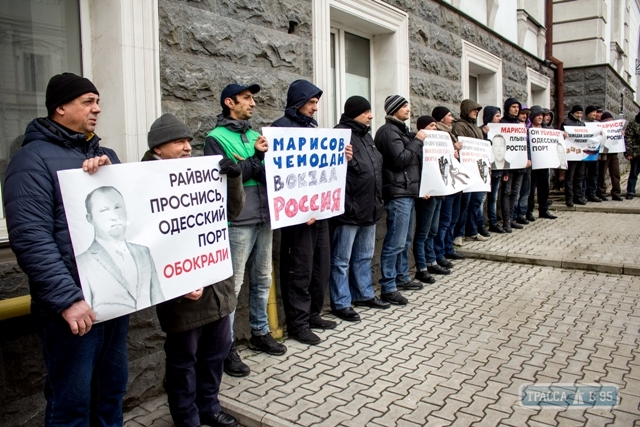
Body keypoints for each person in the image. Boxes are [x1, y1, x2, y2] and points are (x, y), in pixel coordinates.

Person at [3, 73, 126, 426]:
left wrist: (109, 175)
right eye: (88, 101)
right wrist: (67, 300)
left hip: (113, 299)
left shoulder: (105, 155)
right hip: (71, 308)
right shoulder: (30, 161)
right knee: (71, 404)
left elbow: (128, 212)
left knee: (111, 393)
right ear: (59, 107)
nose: (97, 108)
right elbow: (31, 238)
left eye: (98, 101)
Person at [145, 113, 243, 427]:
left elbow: (231, 211)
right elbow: (147, 241)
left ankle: (209, 408)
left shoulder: (202, 173)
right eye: (179, 142)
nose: (188, 147)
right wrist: (178, 283)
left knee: (216, 354)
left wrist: (233, 178)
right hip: (182, 295)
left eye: (189, 141)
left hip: (215, 285)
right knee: (183, 360)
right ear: (158, 148)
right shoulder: (143, 182)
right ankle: (187, 417)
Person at [205, 83, 286, 377]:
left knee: (263, 279)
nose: (253, 103)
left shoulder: (255, 135)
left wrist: (254, 161)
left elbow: (268, 172)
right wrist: (254, 159)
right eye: (247, 98)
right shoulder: (215, 139)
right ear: (230, 102)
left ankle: (259, 332)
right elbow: (229, 179)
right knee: (233, 286)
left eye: (253, 99)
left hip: (265, 216)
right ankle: (224, 348)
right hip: (237, 219)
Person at [271, 79, 351, 344]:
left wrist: (343, 156)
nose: (316, 107)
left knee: (320, 265)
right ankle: (298, 323)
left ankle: (313, 314)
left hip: (319, 213)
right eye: (312, 102)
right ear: (299, 101)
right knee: (299, 268)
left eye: (317, 102)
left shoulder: (313, 127)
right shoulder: (280, 128)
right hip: (297, 217)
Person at [329, 96, 389, 323]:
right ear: (355, 113)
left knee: (364, 256)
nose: (371, 115)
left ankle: (363, 294)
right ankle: (341, 302)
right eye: (366, 112)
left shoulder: (367, 136)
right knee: (341, 260)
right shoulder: (339, 135)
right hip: (349, 209)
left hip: (370, 207)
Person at [77, 186, 164, 320]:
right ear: (90, 218)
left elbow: (158, 296)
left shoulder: (143, 252)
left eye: (118, 207)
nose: (114, 216)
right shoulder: (83, 263)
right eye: (104, 210)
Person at [375, 95, 426, 305]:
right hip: (398, 193)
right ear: (394, 109)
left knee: (404, 240)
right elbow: (400, 160)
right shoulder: (388, 132)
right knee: (395, 242)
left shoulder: (401, 131)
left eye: (408, 105)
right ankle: (388, 286)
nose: (409, 108)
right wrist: (418, 141)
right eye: (404, 106)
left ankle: (402, 277)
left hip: (407, 191)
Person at [413, 115, 450, 280]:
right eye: (431, 126)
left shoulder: (438, 146)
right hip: (426, 194)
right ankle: (421, 268)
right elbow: (417, 169)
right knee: (423, 232)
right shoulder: (418, 145)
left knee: (432, 231)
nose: (434, 129)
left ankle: (431, 261)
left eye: (435, 126)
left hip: (437, 193)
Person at [431, 106, 465, 272]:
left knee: (452, 219)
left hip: (454, 182)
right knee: (444, 221)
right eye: (449, 115)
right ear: (441, 118)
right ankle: (440, 252)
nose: (452, 119)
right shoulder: (437, 135)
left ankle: (448, 248)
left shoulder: (449, 134)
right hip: (445, 185)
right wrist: (453, 149)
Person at [451, 99, 488, 242]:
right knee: (464, 203)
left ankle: (472, 230)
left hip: (477, 170)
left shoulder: (477, 128)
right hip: (466, 170)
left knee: (476, 202)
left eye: (477, 111)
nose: (476, 112)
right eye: (473, 110)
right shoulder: (460, 126)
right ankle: (459, 234)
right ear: (466, 110)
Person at [499, 97, 527, 232]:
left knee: (515, 192)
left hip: (519, 165)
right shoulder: (502, 123)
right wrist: (504, 170)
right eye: (513, 107)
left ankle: (511, 218)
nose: (516, 110)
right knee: (507, 192)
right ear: (508, 108)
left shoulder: (520, 124)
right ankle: (506, 222)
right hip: (508, 166)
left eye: (518, 107)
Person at [526, 106, 557, 220]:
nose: (540, 117)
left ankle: (544, 210)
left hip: (544, 162)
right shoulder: (528, 129)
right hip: (533, 163)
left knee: (544, 187)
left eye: (542, 115)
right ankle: (529, 211)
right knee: (531, 188)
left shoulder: (546, 129)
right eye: (538, 115)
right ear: (533, 116)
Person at [483, 106, 509, 234]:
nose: (499, 118)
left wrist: (505, 171)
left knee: (493, 198)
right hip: (486, 170)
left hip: (498, 170)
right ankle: (482, 223)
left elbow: (505, 152)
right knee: (483, 199)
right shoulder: (483, 129)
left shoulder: (501, 130)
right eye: (497, 116)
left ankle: (493, 222)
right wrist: (484, 133)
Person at [562, 105, 586, 207]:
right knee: (570, 178)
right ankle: (569, 198)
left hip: (580, 154)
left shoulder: (582, 124)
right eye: (577, 113)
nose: (579, 115)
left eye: (581, 113)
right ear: (573, 113)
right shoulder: (566, 123)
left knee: (579, 177)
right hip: (571, 154)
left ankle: (578, 197)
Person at [596, 111, 623, 201]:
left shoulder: (615, 128)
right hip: (604, 153)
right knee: (602, 173)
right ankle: (601, 192)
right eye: (607, 120)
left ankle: (616, 193)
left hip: (613, 153)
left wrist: (621, 134)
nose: (609, 121)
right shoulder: (599, 128)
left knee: (615, 173)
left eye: (610, 119)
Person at [583, 105, 601, 203]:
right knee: (584, 174)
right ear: (588, 113)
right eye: (593, 112)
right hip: (585, 153)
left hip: (595, 153)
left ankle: (592, 193)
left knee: (594, 174)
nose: (595, 114)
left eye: (595, 112)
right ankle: (584, 193)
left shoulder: (598, 124)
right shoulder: (583, 124)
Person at [624, 109, 640, 199]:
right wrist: (628, 153)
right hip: (636, 153)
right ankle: (630, 191)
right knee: (633, 173)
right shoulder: (633, 123)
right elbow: (628, 138)